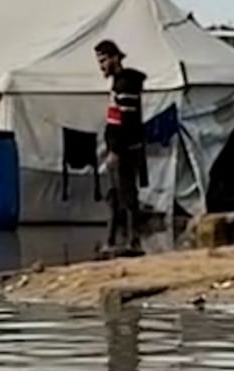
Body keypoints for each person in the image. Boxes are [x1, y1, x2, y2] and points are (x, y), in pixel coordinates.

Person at [95, 40, 147, 254]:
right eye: (100, 61)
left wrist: (116, 150)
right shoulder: (120, 83)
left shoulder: (124, 86)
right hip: (123, 147)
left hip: (124, 150)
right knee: (116, 195)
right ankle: (114, 240)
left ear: (115, 58)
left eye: (104, 60)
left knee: (126, 195)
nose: (101, 66)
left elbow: (124, 121)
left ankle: (133, 241)